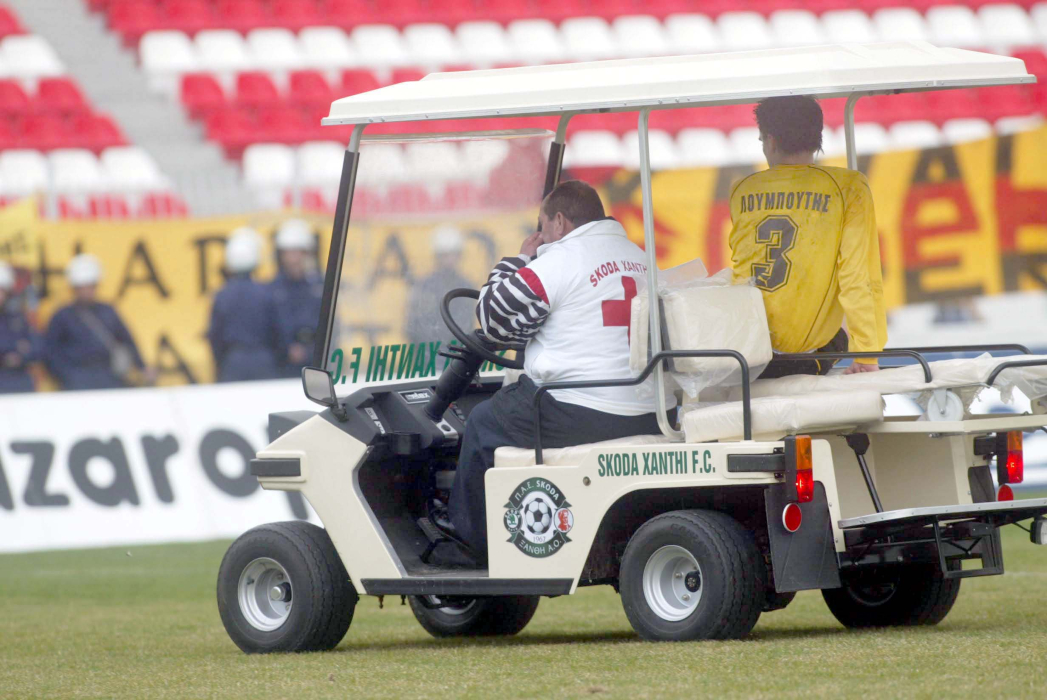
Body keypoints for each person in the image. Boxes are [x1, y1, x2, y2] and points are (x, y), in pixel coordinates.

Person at [445, 180, 674, 560]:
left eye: (542, 226)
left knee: (484, 421)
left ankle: (469, 547)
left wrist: (519, 259)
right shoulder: (641, 258)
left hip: (584, 410)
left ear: (560, 222)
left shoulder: (559, 259)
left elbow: (491, 316)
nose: (541, 237)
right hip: (650, 410)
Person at [729, 95, 888, 379]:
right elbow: (857, 277)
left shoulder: (742, 189)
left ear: (771, 141)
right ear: (818, 139)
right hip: (807, 356)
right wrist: (866, 353)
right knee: (838, 324)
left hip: (749, 353)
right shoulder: (848, 186)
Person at [45, 254, 152, 390]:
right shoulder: (62, 316)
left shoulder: (108, 311)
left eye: (90, 286)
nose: (86, 291)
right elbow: (51, 351)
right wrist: (67, 375)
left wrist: (142, 367)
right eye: (82, 287)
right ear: (73, 288)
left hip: (108, 375)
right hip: (77, 378)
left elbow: (127, 340)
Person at [208, 227, 282, 382]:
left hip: (233, 361)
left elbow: (215, 335)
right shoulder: (266, 293)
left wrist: (221, 361)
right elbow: (277, 330)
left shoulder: (222, 295)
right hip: (263, 359)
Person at [269, 219, 323, 378]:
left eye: (297, 252)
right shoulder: (273, 289)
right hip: (282, 366)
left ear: (307, 253)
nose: (293, 259)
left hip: (315, 362)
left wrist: (308, 350)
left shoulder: (319, 286)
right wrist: (287, 348)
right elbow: (270, 328)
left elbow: (329, 326)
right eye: (288, 253)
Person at [405, 226, 473, 348]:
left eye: (453, 254)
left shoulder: (467, 286)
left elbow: (467, 325)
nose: (449, 260)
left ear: (459, 255)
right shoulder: (424, 286)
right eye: (445, 255)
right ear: (437, 256)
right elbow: (413, 326)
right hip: (429, 353)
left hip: (457, 353)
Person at [0, 261, 42, 394]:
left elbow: (37, 348)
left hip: (20, 380)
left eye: (1, 290)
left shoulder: (18, 317)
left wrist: (20, 355)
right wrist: (15, 349)